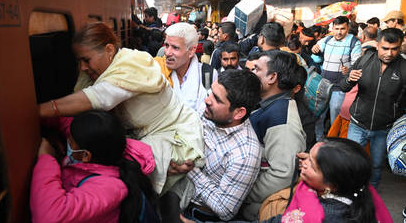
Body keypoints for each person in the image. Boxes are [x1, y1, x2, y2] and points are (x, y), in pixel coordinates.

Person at [38, 22, 205, 195]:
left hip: (174, 136)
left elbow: (99, 96)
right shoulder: (102, 71)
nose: (82, 68)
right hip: (148, 136)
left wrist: (32, 111)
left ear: (110, 50)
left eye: (86, 60)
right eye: (79, 61)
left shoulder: (131, 66)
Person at [180, 138, 393, 223]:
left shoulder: (322, 216)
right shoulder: (355, 190)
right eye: (308, 155)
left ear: (331, 185)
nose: (304, 162)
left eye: (313, 164)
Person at [164, 70, 263, 222]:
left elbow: (225, 210)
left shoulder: (245, 154)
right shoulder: (212, 113)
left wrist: (191, 170)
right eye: (211, 92)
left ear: (238, 113)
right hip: (173, 193)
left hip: (195, 215)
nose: (207, 100)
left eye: (217, 99)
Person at [30, 111, 157, 223]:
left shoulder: (109, 188)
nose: (67, 141)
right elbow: (68, 125)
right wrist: (35, 115)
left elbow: (49, 217)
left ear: (86, 155)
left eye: (70, 142)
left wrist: (47, 159)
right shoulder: (105, 144)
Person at [242, 51, 306, 221]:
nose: (252, 73)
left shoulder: (282, 119)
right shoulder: (271, 106)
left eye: (257, 69)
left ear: (272, 77)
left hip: (258, 209)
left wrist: (242, 193)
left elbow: (282, 174)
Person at [340, 28, 406, 188]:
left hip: (384, 128)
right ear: (377, 45)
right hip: (357, 123)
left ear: (400, 46)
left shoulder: (404, 68)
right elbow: (343, 87)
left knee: (376, 165)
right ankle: (350, 191)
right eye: (385, 48)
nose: (389, 53)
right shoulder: (364, 60)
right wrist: (348, 79)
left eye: (394, 49)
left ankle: (372, 193)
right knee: (352, 161)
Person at [311, 16, 362, 141]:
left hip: (340, 88)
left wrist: (349, 70)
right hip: (323, 85)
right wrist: (315, 51)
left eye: (342, 29)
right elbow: (316, 59)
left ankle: (333, 142)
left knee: (335, 116)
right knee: (319, 115)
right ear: (332, 28)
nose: (339, 32)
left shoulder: (354, 42)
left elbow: (358, 65)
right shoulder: (326, 40)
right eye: (336, 28)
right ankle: (319, 139)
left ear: (348, 28)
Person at [154, 22, 217, 113]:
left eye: (175, 48)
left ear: (191, 51)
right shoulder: (157, 70)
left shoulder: (208, 74)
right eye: (167, 46)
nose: (167, 53)